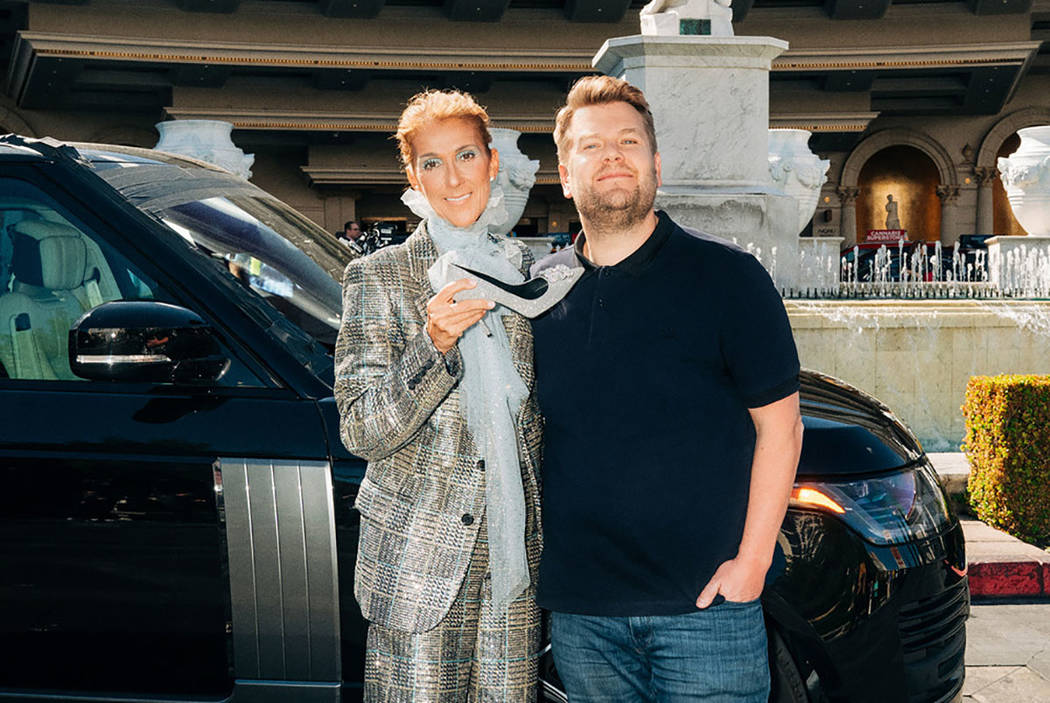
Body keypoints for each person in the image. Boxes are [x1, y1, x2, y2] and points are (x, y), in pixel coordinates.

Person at [531, 75, 804, 702]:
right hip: (583, 615)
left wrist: (753, 564)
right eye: (592, 146)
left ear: (655, 165)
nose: (613, 156)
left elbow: (781, 428)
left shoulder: (729, 278)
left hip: (706, 608)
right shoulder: (541, 291)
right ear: (566, 174)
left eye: (628, 141)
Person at [334, 89, 543, 702]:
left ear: (492, 162)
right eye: (432, 163)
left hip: (513, 563)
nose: (452, 179)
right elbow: (361, 429)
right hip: (418, 563)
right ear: (412, 177)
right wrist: (433, 347)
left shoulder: (525, 273)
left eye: (465, 156)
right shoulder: (377, 277)